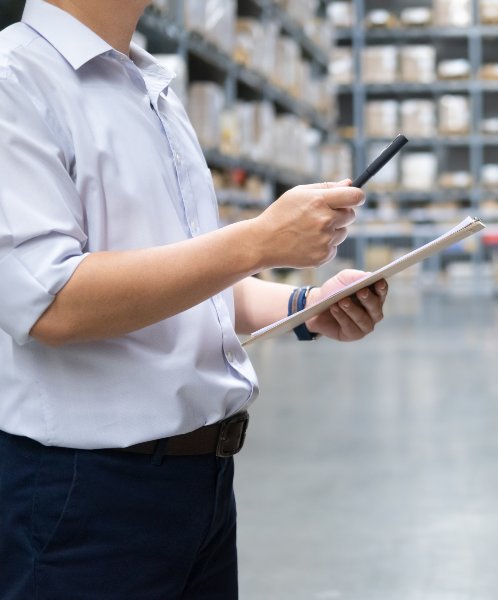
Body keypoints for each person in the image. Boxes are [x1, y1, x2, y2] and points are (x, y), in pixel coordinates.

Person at [0, 1, 389, 597]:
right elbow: (52, 302)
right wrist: (260, 240)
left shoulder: (148, 85)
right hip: (85, 497)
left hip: (201, 484)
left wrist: (304, 305)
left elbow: (188, 279)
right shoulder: (14, 78)